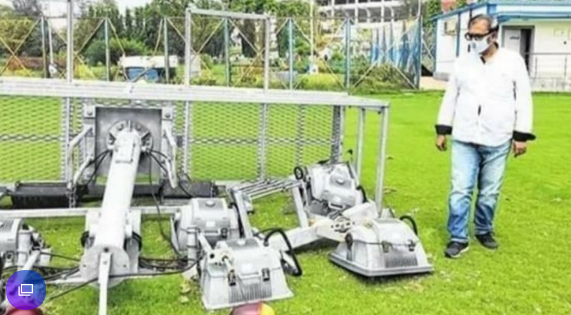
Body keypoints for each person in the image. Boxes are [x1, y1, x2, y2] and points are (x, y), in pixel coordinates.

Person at [435, 14, 535, 259]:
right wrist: (442, 129)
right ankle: (458, 237)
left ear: (493, 35)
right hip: (465, 135)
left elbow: (523, 99)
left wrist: (521, 134)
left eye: (479, 35)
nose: (474, 40)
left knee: (489, 192)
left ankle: (483, 229)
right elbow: (450, 97)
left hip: (497, 137)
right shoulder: (462, 62)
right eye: (470, 35)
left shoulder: (512, 62)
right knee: (460, 190)